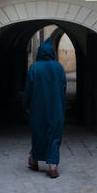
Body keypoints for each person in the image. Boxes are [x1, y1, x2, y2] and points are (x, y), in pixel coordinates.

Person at [23, 37, 67, 178]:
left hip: (38, 109)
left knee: (39, 134)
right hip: (55, 108)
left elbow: (28, 89)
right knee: (54, 135)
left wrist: (26, 104)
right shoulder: (59, 67)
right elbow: (64, 87)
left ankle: (34, 161)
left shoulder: (34, 67)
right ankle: (53, 167)